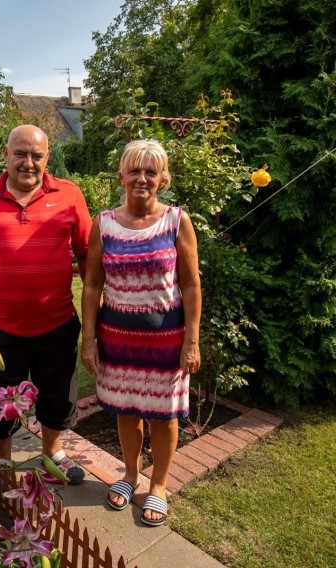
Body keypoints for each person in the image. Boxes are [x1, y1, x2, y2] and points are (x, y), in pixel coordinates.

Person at [0, 124, 92, 484]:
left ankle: (53, 453)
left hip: (58, 321)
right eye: (20, 153)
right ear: (6, 154)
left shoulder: (69, 195)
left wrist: (98, 306)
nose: (28, 162)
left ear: (47, 158)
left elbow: (87, 254)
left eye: (37, 155)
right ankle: (3, 459)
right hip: (2, 326)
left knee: (58, 394)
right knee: (2, 397)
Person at [80, 139, 201, 526]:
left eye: (151, 171)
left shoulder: (177, 221)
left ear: (163, 178)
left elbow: (192, 285)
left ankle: (159, 486)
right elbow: (92, 284)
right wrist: (89, 340)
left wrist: (192, 342)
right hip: (117, 338)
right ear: (121, 175)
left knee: (164, 417)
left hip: (166, 340)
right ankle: (130, 475)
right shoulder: (104, 223)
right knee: (125, 411)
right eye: (134, 170)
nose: (142, 178)